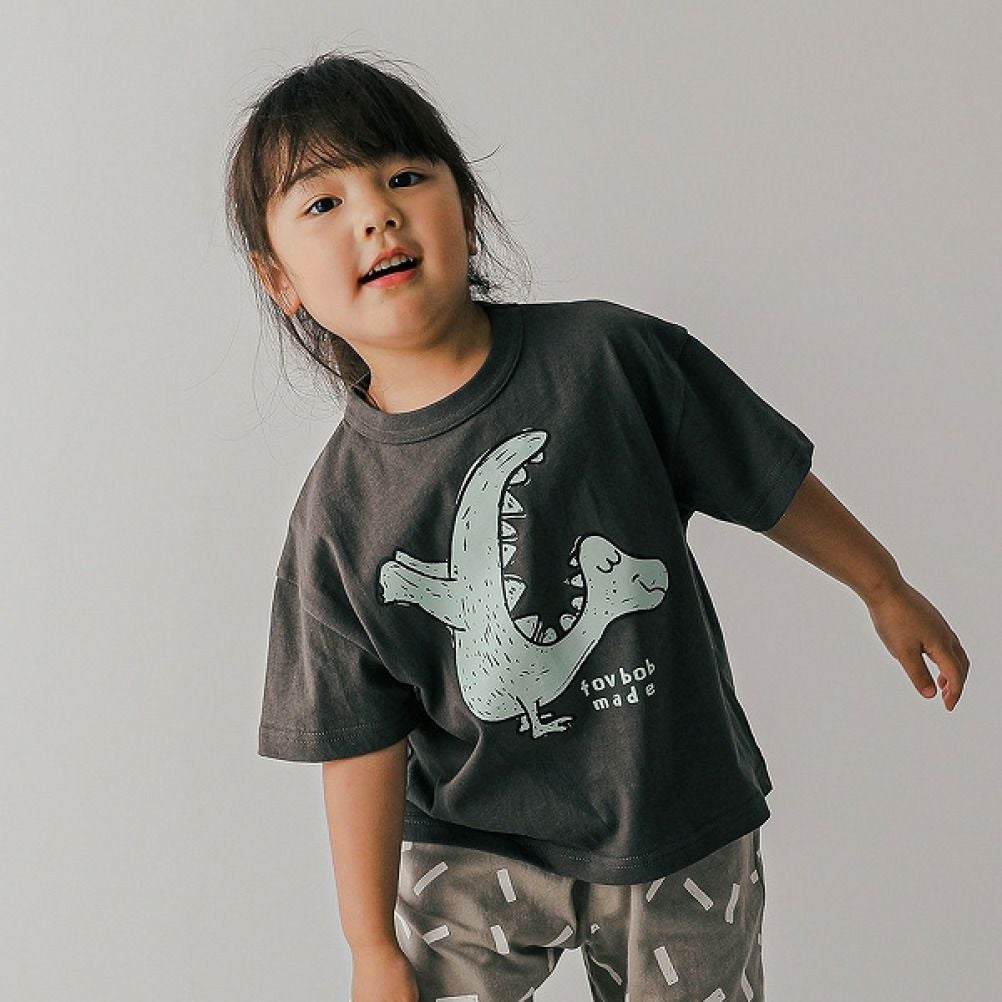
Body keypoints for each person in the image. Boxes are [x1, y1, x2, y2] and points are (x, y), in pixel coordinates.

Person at [224, 48, 970, 1002]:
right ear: (279, 277)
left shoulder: (611, 357)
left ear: (465, 208)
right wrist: (371, 946)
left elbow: (763, 475)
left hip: (676, 812)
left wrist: (882, 583)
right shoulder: (336, 515)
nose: (377, 213)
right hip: (471, 841)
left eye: (405, 176)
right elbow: (357, 740)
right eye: (324, 202)